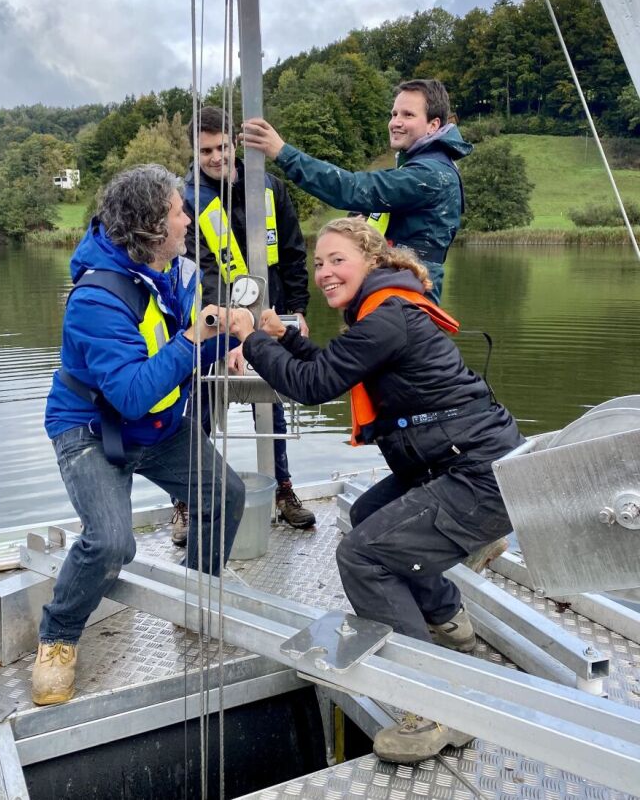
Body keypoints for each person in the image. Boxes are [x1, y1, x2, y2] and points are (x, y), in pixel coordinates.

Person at [233, 216, 523, 765]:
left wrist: (247, 337)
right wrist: (287, 337)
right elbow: (331, 365)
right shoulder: (382, 312)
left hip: (475, 476)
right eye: (318, 263)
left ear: (371, 260)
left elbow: (313, 386)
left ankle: (431, 709)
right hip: (457, 464)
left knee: (363, 556)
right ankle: (447, 621)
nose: (323, 272)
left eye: (337, 260)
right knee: (369, 513)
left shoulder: (386, 318)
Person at [34, 164, 248, 706]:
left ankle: (196, 593)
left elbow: (188, 347)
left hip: (158, 425)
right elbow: (130, 392)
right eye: (179, 211)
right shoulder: (95, 299)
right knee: (111, 542)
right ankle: (58, 636)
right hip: (89, 428)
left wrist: (245, 333)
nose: (187, 219)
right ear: (152, 227)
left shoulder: (179, 272)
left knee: (225, 494)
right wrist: (197, 337)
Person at [177, 105, 315, 534]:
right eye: (205, 151)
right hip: (211, 320)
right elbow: (201, 270)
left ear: (235, 144)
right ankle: (185, 501)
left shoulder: (269, 188)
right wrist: (234, 333)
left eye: (222, 147)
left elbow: (292, 255)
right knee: (198, 405)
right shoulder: (186, 200)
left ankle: (281, 488)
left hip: (269, 317)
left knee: (269, 401)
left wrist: (297, 312)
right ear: (194, 153)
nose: (215, 157)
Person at [241, 78, 472, 301]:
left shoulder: (431, 174)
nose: (395, 122)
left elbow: (353, 189)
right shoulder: (422, 166)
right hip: (398, 287)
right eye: (394, 114)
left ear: (433, 125)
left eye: (408, 115)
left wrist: (283, 153)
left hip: (410, 297)